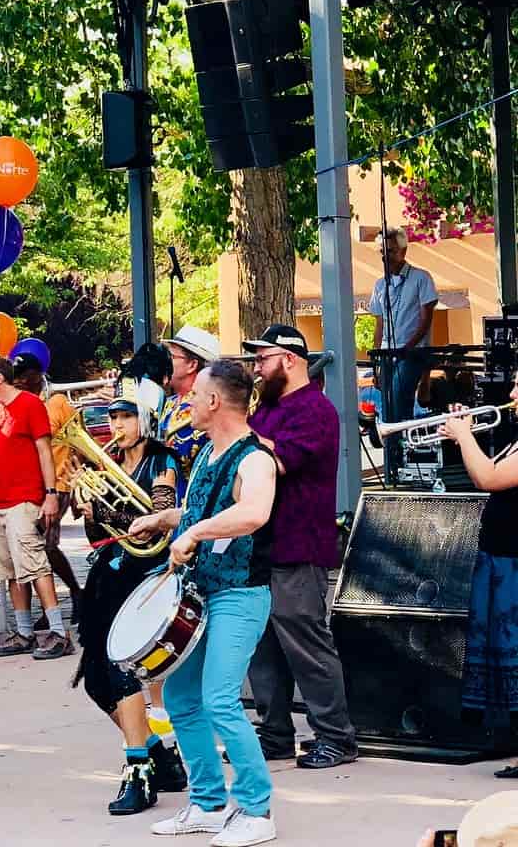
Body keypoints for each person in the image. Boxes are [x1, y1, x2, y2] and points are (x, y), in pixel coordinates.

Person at [137, 359, 278, 847]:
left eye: (194, 393)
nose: (187, 400)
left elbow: (254, 512)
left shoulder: (254, 458)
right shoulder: (205, 456)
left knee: (220, 698)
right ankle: (208, 804)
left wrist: (194, 530)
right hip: (198, 594)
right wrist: (166, 521)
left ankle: (258, 810)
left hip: (240, 594)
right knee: (180, 698)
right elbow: (204, 510)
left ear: (215, 401)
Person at [71, 363, 188, 816]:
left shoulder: (163, 460)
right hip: (110, 578)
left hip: (147, 575)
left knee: (125, 672)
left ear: (146, 419)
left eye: (126, 416)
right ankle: (160, 755)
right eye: (113, 417)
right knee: (97, 681)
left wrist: (113, 512)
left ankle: (138, 771)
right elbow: (97, 531)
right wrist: (87, 502)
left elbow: (153, 521)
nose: (116, 425)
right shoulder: (106, 462)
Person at [242, 324, 358, 770]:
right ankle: (274, 735)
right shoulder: (266, 409)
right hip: (261, 545)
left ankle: (335, 736)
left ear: (289, 359)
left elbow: (276, 462)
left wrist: (236, 435)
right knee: (262, 645)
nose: (256, 367)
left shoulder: (315, 409)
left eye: (262, 358)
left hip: (298, 544)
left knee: (306, 643)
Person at [439, 375, 518, 778]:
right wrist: (462, 437)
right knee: (501, 653)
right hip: (500, 558)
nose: (512, 394)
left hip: (513, 563)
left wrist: (464, 436)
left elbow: (489, 478)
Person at [0, 354, 70, 660]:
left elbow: (45, 451)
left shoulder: (29, 404)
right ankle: (24, 631)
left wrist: (50, 493)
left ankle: (58, 632)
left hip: (24, 497)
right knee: (11, 570)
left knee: (35, 565)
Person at [13, 352, 84, 624]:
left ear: (35, 375)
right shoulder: (22, 404)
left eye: (22, 376)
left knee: (48, 546)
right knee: (34, 547)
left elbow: (80, 439)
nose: (17, 381)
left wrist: (78, 484)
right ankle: (49, 606)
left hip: (59, 484)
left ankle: (76, 594)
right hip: (33, 486)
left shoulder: (57, 402)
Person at [368, 227, 438, 479]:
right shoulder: (379, 285)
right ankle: (393, 462)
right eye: (382, 252)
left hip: (412, 352)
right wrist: (375, 361)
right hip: (387, 354)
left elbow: (426, 319)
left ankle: (401, 460)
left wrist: (408, 346)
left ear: (403, 251)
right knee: (388, 405)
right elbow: (379, 324)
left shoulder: (421, 278)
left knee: (398, 399)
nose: (386, 257)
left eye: (391, 251)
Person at [158, 327, 219, 501]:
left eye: (171, 357)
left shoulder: (207, 405)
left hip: (192, 503)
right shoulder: (170, 402)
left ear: (192, 365)